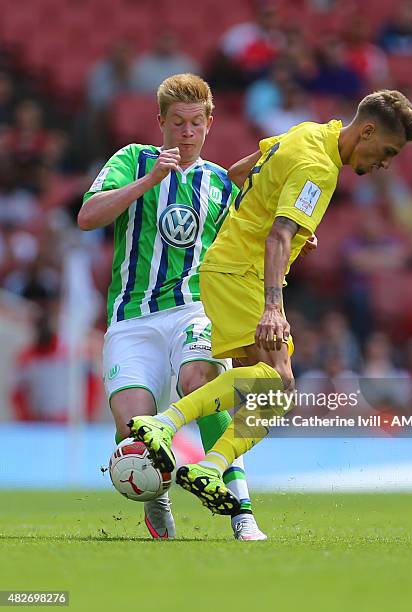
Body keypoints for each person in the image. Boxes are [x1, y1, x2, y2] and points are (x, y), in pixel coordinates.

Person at [129, 89, 412, 515]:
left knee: (268, 387)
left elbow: (236, 173)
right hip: (244, 275)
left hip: (230, 268)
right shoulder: (320, 168)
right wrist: (273, 303)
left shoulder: (308, 132)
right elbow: (277, 236)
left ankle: (209, 464)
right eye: (388, 150)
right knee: (279, 382)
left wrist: (291, 229)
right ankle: (168, 426)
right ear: (366, 131)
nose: (386, 162)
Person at [79, 73, 266, 541]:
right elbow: (87, 217)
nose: (186, 132)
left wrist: (297, 242)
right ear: (160, 122)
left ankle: (241, 513)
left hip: (194, 310)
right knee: (131, 427)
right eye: (177, 122)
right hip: (131, 318)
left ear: (209, 123)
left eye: (195, 123)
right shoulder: (133, 159)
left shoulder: (221, 184)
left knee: (200, 382)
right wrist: (149, 181)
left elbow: (244, 249)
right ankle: (156, 495)